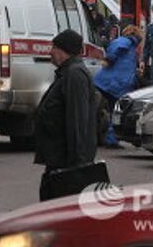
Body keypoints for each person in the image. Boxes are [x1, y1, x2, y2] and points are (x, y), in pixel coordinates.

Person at [34, 29, 98, 201]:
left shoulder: (75, 75)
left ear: (64, 51)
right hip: (59, 161)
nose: (50, 52)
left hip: (68, 165)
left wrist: (77, 166)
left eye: (54, 47)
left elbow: (77, 121)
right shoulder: (67, 73)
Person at [93, 25, 143, 148]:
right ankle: (111, 139)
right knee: (116, 112)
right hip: (116, 84)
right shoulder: (128, 41)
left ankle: (110, 139)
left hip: (110, 83)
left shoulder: (130, 46)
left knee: (112, 112)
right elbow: (116, 47)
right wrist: (109, 59)